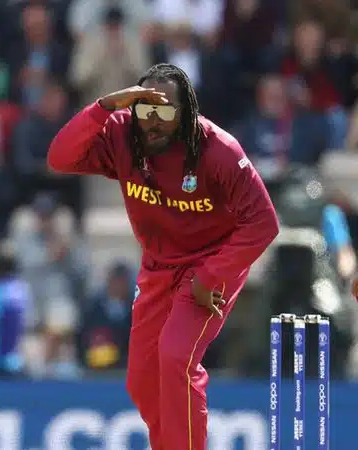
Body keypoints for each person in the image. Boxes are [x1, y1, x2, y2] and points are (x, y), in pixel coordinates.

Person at [47, 63, 279, 449]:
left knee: (175, 358)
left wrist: (211, 276)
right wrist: (105, 106)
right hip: (158, 266)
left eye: (165, 112)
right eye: (145, 109)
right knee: (142, 381)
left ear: (185, 113)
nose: (153, 122)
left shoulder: (217, 149)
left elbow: (264, 223)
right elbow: (60, 157)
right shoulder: (123, 131)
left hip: (211, 265)